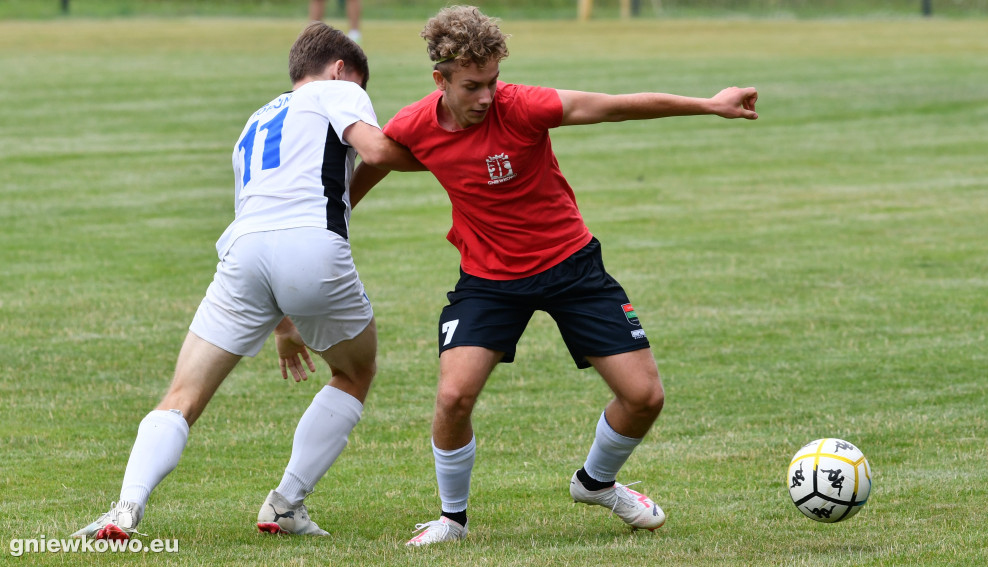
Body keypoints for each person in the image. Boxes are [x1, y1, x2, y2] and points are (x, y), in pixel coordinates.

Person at [349, 5, 758, 546]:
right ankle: (452, 520)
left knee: (645, 398)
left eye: (493, 81)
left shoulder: (523, 106)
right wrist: (337, 219)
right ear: (439, 80)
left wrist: (709, 105)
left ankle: (596, 482)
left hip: (571, 265)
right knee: (453, 397)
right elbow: (375, 161)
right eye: (472, 86)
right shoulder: (415, 124)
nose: (487, 96)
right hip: (489, 279)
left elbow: (614, 108)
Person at [72, 21, 421, 540]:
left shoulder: (257, 119)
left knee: (182, 396)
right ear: (341, 69)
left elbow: (282, 206)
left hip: (243, 254)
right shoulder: (338, 89)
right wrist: (454, 157)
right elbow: (375, 151)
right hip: (310, 247)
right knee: (354, 372)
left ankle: (126, 506)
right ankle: (285, 503)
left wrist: (283, 324)